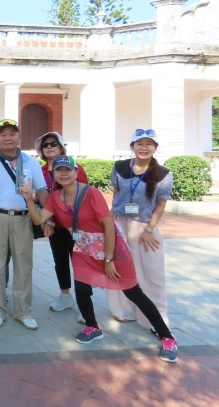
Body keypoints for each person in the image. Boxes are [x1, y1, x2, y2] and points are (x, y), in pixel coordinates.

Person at [22, 155, 178, 363]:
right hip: (83, 249)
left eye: (69, 170)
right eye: (59, 171)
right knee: (82, 289)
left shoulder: (91, 193)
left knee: (133, 291)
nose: (64, 174)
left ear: (77, 172)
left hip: (109, 248)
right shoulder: (54, 198)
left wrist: (109, 259)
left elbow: (108, 227)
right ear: (54, 175)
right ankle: (92, 326)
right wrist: (28, 199)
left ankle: (167, 336)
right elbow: (38, 219)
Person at [0, 119, 48, 330]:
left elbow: (42, 191)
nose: (7, 138)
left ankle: (23, 311)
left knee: (23, 266)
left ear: (19, 137)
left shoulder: (31, 162)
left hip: (23, 219)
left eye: (12, 133)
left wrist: (48, 218)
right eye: (3, 134)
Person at [107, 129, 174, 328]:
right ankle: (122, 310)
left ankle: (155, 318)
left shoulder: (163, 174)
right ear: (132, 146)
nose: (144, 148)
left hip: (144, 226)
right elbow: (116, 192)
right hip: (119, 223)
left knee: (151, 273)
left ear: (155, 148)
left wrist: (150, 230)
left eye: (149, 144)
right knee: (118, 268)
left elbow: (160, 205)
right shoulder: (119, 167)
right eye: (139, 143)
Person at [34, 131, 88, 313]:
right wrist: (46, 222)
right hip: (54, 225)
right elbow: (38, 199)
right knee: (60, 261)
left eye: (53, 144)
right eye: (45, 145)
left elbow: (83, 197)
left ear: (61, 147)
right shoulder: (39, 171)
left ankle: (85, 305)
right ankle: (65, 296)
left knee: (80, 262)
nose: (49, 147)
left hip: (75, 226)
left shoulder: (75, 167)